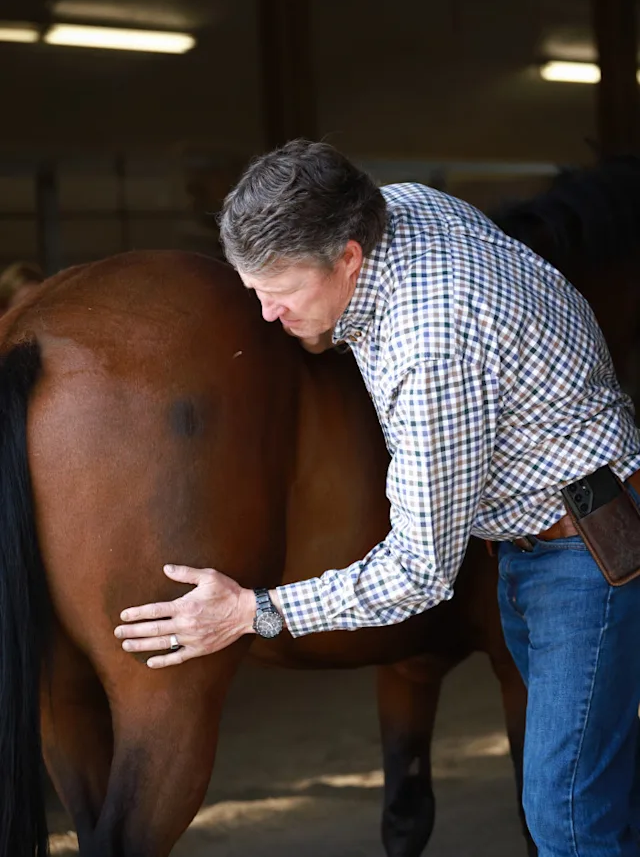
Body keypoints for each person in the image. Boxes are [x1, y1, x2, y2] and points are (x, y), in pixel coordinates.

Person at [114, 140, 640, 857]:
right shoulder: (409, 204)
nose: (265, 314)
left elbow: (419, 573)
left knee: (568, 820)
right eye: (252, 288)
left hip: (583, 559)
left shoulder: (429, 348)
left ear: (349, 259)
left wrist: (252, 611)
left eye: (280, 289)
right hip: (533, 533)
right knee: (599, 792)